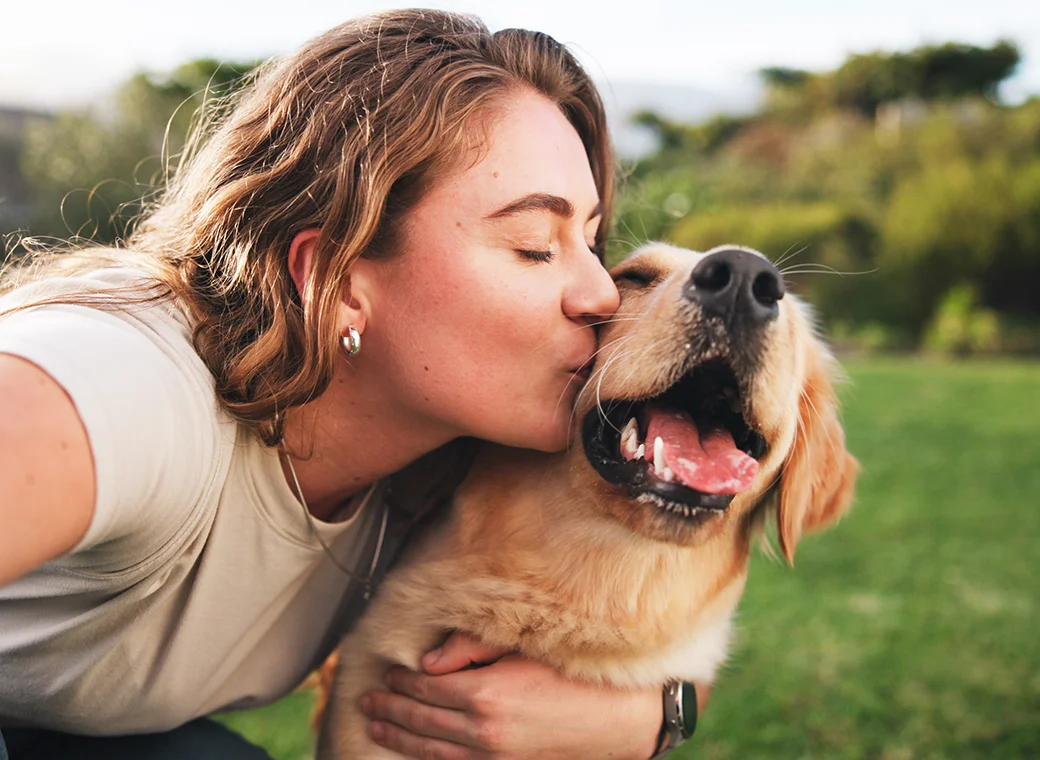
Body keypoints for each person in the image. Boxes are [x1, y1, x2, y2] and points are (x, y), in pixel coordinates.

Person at [0, 9, 705, 759]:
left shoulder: (462, 458)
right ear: (335, 280)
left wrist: (653, 715)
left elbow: (669, 608)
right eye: (535, 246)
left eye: (592, 242)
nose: (600, 294)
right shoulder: (123, 388)